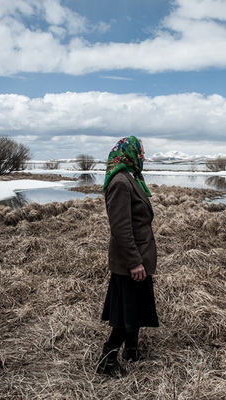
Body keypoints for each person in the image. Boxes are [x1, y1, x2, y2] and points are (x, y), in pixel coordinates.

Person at [96, 136, 159, 378]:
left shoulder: (130, 178)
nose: (142, 156)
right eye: (139, 152)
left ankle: (131, 351)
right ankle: (106, 361)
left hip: (138, 257)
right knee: (125, 313)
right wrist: (134, 262)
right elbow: (120, 228)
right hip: (130, 262)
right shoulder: (121, 182)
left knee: (135, 307)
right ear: (129, 154)